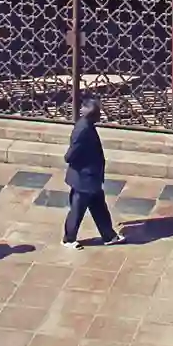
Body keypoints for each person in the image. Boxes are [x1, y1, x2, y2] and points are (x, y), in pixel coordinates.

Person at [62, 97, 122, 248]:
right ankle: (69, 239)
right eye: (98, 113)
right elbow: (71, 155)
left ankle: (109, 236)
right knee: (78, 209)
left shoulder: (87, 126)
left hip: (91, 177)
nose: (100, 116)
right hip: (83, 179)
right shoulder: (82, 130)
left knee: (99, 206)